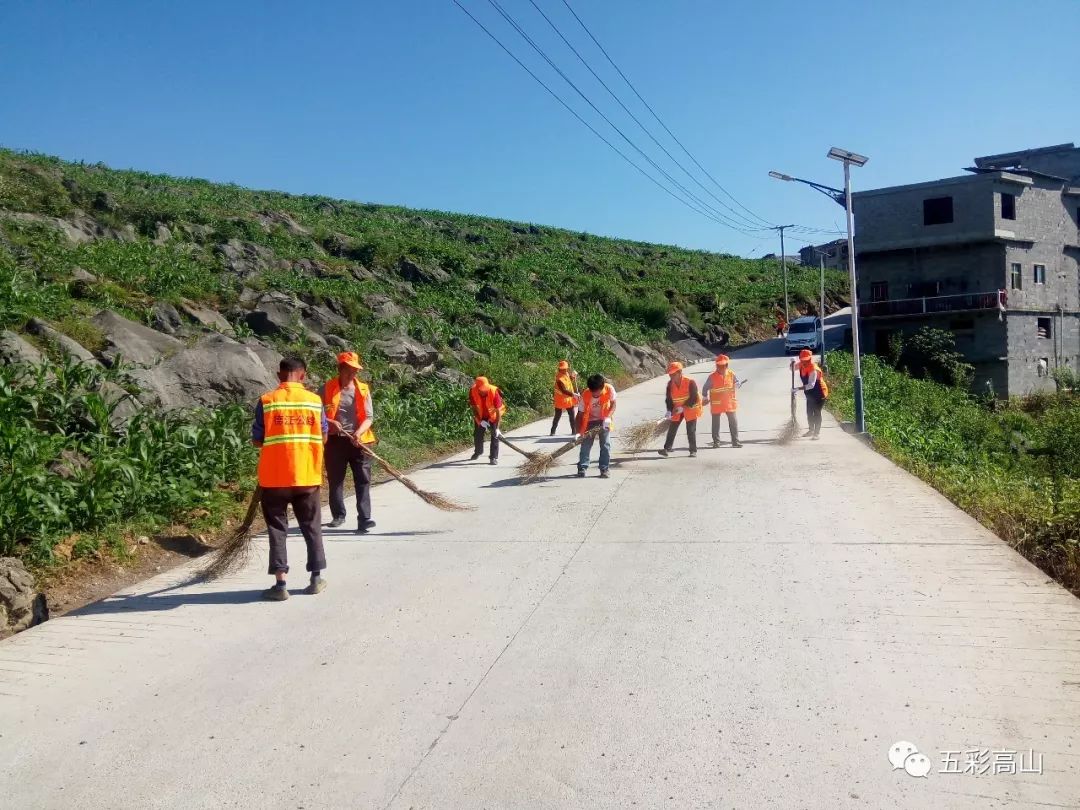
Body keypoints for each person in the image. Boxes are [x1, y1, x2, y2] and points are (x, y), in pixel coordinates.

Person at [251, 356, 328, 601]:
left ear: (279, 375)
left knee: (277, 528)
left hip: (274, 478)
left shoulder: (267, 401)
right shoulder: (315, 402)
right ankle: (316, 578)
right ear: (303, 375)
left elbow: (257, 440)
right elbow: (323, 436)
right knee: (311, 526)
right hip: (306, 475)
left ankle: (280, 583)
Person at [320, 351, 376, 534]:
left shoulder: (363, 389)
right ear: (341, 368)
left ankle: (365, 519)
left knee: (363, 480)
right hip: (335, 441)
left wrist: (359, 433)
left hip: (359, 441)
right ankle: (338, 515)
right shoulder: (326, 388)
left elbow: (369, 417)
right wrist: (329, 422)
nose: (353, 373)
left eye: (355, 370)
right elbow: (314, 413)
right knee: (336, 480)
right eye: (350, 369)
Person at [576, 374, 617, 479]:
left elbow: (613, 404)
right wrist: (578, 432)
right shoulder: (585, 395)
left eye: (597, 392)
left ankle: (604, 468)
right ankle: (582, 467)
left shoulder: (609, 389)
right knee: (585, 445)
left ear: (602, 387)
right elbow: (579, 414)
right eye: (593, 392)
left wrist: (608, 417)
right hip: (589, 421)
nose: (595, 395)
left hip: (604, 421)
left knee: (605, 445)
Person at [658, 361, 701, 458]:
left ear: (680, 372)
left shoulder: (690, 382)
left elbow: (694, 397)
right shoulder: (670, 384)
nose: (671, 376)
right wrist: (669, 410)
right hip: (677, 409)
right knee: (672, 428)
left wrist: (684, 407)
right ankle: (667, 448)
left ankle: (693, 451)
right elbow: (669, 399)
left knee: (690, 430)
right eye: (670, 374)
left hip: (690, 408)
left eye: (674, 374)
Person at [702, 354, 743, 448]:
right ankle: (716, 442)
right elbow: (705, 388)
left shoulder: (731, 374)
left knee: (733, 422)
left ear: (726, 366)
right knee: (715, 423)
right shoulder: (712, 377)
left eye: (722, 366)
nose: (720, 367)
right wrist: (705, 397)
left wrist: (738, 384)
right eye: (718, 366)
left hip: (729, 403)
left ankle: (735, 442)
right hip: (717, 404)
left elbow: (737, 383)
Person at [791, 349, 830, 440]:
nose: (804, 362)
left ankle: (816, 433)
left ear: (809, 359)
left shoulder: (813, 369)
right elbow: (792, 369)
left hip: (819, 392)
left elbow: (811, 385)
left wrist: (797, 389)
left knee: (816, 412)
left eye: (806, 360)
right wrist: (792, 363)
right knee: (809, 412)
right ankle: (811, 430)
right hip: (810, 394)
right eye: (802, 360)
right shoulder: (801, 364)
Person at [469, 376, 505, 465]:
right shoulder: (472, 391)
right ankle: (478, 452)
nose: (484, 391)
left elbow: (498, 411)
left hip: (493, 415)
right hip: (480, 415)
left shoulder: (494, 391)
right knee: (477, 434)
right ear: (477, 388)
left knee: (495, 436)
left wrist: (497, 428)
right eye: (481, 389)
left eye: (485, 389)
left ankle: (493, 457)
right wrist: (479, 420)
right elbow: (473, 408)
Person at [551, 360, 577, 436]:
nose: (564, 370)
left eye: (565, 368)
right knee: (557, 416)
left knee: (572, 415)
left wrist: (573, 376)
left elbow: (568, 381)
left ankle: (574, 431)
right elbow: (563, 390)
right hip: (560, 399)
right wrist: (573, 394)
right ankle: (553, 431)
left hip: (568, 399)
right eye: (562, 369)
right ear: (559, 369)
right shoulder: (559, 378)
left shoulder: (566, 374)